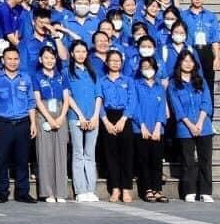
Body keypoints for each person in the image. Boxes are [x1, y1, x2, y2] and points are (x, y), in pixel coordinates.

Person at [0, 46, 37, 203]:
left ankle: (22, 192)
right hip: (3, 123)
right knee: (1, 159)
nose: (13, 62)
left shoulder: (26, 78)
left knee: (22, 159)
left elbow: (31, 102)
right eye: (9, 59)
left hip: (23, 122)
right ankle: (2, 192)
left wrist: (33, 123)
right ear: (3, 60)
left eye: (15, 59)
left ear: (19, 60)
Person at [167, 51, 214, 201]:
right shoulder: (173, 84)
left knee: (205, 159)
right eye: (185, 60)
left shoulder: (201, 81)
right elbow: (177, 108)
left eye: (191, 61)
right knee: (188, 160)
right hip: (184, 127)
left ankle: (205, 191)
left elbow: (206, 103)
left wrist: (199, 122)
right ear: (179, 63)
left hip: (204, 126)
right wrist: (190, 125)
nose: (188, 63)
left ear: (194, 63)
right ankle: (190, 190)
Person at [31, 45, 71, 202]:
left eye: (52, 58)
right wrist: (49, 118)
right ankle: (48, 192)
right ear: (40, 59)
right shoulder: (36, 77)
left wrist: (61, 117)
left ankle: (61, 192)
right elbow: (37, 100)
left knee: (61, 153)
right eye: (46, 58)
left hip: (60, 112)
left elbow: (66, 98)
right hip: (44, 113)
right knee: (45, 153)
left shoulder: (62, 76)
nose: (49, 60)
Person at [66, 40, 103, 202]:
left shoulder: (92, 72)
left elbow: (98, 96)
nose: (81, 54)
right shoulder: (67, 72)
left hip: (93, 117)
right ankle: (80, 190)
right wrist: (80, 116)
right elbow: (68, 96)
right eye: (77, 51)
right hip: (76, 117)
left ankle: (90, 189)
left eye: (83, 51)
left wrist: (95, 116)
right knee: (78, 153)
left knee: (90, 154)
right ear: (72, 54)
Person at [99, 49, 135, 203]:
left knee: (126, 155)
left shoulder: (128, 80)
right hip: (108, 117)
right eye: (112, 60)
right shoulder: (101, 81)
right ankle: (115, 188)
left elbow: (132, 100)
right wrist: (106, 121)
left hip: (124, 118)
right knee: (111, 155)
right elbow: (99, 101)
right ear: (107, 62)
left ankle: (126, 188)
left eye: (118, 61)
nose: (115, 63)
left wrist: (123, 119)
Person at [132, 55, 168, 202]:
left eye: (150, 67)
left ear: (156, 69)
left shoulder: (160, 87)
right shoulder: (136, 85)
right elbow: (135, 106)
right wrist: (142, 125)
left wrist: (159, 126)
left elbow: (162, 108)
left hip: (158, 129)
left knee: (157, 159)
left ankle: (157, 189)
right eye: (144, 67)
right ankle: (147, 189)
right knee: (144, 160)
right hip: (140, 128)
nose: (148, 70)